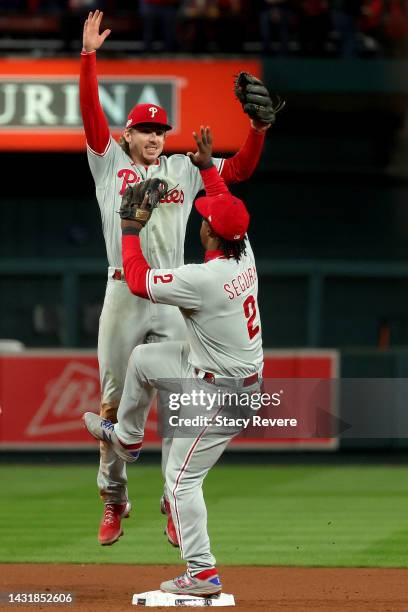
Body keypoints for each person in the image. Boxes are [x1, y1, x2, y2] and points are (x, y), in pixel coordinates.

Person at [80, 9, 270, 547]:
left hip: (174, 295)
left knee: (180, 402)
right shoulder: (107, 163)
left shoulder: (186, 169)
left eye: (162, 129)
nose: (156, 136)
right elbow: (92, 116)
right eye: (146, 129)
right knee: (113, 402)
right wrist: (88, 58)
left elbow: (238, 174)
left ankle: (172, 498)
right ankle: (114, 498)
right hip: (124, 288)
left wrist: (257, 132)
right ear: (128, 134)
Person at [84, 133, 263, 596]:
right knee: (142, 360)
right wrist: (207, 167)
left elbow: (140, 280)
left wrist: (129, 228)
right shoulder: (244, 254)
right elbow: (223, 201)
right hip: (215, 367)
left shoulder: (201, 279)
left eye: (204, 220)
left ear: (210, 234)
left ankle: (202, 574)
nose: (201, 220)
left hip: (221, 396)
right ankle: (125, 435)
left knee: (181, 482)